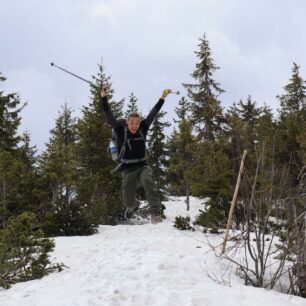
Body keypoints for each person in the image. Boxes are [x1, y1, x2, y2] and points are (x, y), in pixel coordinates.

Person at [100, 87, 172, 224]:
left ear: (140, 123)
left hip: (142, 165)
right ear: (127, 122)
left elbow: (153, 113)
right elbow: (108, 114)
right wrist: (103, 97)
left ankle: (155, 213)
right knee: (127, 196)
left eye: (137, 123)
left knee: (147, 182)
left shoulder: (143, 128)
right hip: (127, 168)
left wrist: (162, 97)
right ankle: (133, 206)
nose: (134, 125)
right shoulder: (120, 130)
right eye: (132, 123)